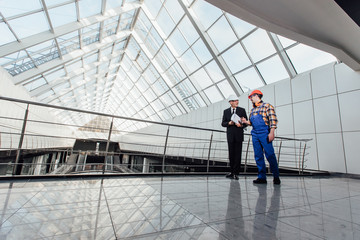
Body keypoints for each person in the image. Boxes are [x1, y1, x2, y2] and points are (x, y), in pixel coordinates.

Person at [241, 90, 281, 185]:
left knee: (270, 155)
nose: (250, 99)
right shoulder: (253, 110)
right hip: (255, 133)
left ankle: (276, 176)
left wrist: (272, 132)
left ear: (256, 96)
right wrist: (246, 122)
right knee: (258, 155)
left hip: (265, 133)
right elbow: (251, 122)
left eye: (251, 97)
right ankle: (262, 177)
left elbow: (273, 120)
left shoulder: (267, 106)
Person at [221, 95, 248, 180]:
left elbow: (246, 123)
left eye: (237, 100)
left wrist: (241, 125)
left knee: (238, 154)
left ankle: (236, 173)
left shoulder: (242, 110)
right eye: (235, 101)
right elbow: (223, 123)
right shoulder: (226, 111)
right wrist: (229, 123)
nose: (237, 102)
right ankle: (231, 172)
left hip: (239, 135)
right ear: (230, 102)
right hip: (230, 136)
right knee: (231, 154)